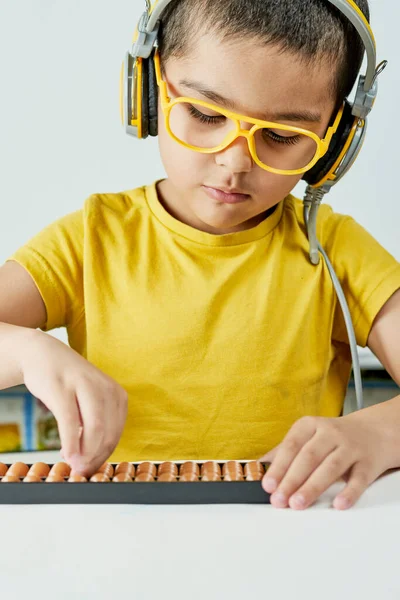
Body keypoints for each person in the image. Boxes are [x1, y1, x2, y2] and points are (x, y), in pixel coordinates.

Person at [0, 0, 399, 511]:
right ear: (148, 91)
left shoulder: (336, 252)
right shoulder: (90, 240)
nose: (235, 163)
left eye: (282, 137)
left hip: (289, 540)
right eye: (206, 114)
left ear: (336, 142)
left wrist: (379, 432)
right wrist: (25, 350)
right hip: (121, 542)